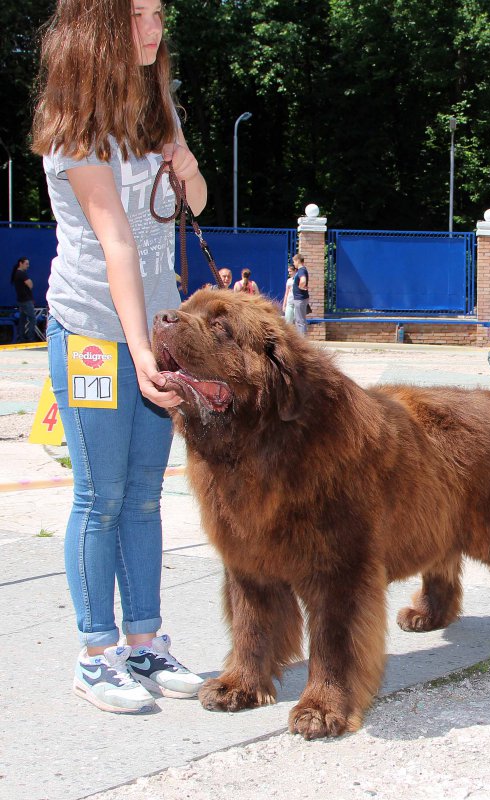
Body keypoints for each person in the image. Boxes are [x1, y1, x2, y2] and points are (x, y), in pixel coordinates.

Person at [31, 0, 207, 713]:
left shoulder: (157, 103)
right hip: (94, 338)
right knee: (99, 498)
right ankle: (95, 651)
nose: (153, 29)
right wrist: (138, 352)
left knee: (142, 495)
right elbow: (117, 245)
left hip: (154, 326)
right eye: (137, 15)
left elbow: (193, 202)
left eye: (159, 14)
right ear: (98, 28)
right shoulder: (74, 128)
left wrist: (186, 164)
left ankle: (144, 641)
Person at [10, 257, 38, 343]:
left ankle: (21, 337)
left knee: (22, 319)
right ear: (20, 263)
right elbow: (30, 284)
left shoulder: (16, 274)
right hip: (26, 300)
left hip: (21, 300)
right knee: (32, 318)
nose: (28, 266)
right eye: (26, 264)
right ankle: (30, 337)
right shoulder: (21, 274)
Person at [292, 253, 309, 336]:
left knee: (300, 321)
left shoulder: (301, 270)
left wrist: (300, 287)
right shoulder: (302, 270)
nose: (293, 264)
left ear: (298, 260)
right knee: (301, 320)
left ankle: (302, 341)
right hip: (300, 299)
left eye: (294, 261)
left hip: (300, 299)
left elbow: (303, 280)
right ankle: (303, 339)